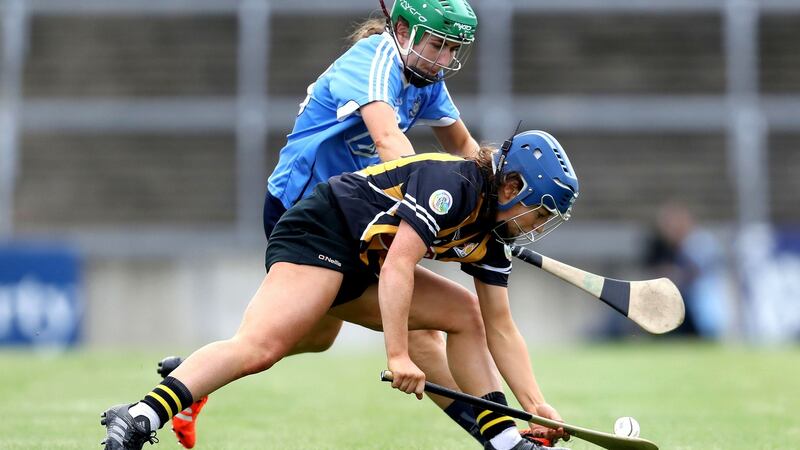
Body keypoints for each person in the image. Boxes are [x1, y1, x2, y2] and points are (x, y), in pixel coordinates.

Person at [152, 0, 536, 448]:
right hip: (309, 210)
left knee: (317, 337)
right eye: (438, 45)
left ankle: (199, 372)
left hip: (359, 218)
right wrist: (433, 212)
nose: (445, 59)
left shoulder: (426, 78)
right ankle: (504, 441)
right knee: (419, 333)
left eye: (453, 50)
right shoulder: (374, 61)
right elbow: (390, 142)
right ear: (405, 32)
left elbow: (466, 149)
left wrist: (494, 205)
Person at [99, 129, 579, 450]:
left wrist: (535, 403)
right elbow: (398, 268)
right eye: (538, 212)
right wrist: (397, 355)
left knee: (467, 315)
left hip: (364, 259)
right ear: (511, 184)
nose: (535, 226)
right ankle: (140, 414)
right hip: (322, 231)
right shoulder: (452, 184)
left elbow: (500, 327)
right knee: (261, 348)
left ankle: (505, 442)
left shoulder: (491, 237)